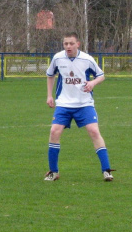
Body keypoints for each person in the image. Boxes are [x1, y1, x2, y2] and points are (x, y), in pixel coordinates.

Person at [44, 32, 114, 181]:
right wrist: (49, 96)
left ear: (78, 44)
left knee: (94, 131)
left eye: (71, 43)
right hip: (64, 103)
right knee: (54, 132)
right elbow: (50, 75)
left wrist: (93, 83)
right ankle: (53, 172)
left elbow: (101, 75)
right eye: (65, 44)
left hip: (84, 103)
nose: (68, 46)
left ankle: (106, 170)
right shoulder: (57, 58)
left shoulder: (87, 59)